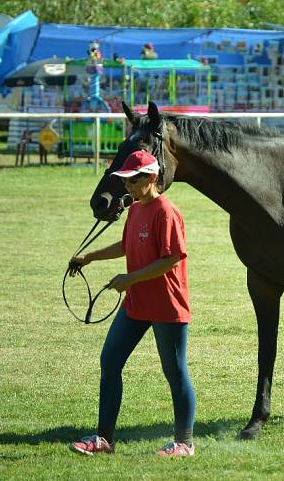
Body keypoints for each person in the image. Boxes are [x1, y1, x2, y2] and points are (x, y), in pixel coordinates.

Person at [67, 150, 196, 458]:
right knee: (110, 362)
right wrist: (90, 257)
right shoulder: (136, 209)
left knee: (175, 372)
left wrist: (130, 279)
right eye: (124, 181)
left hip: (166, 305)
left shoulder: (167, 211)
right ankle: (104, 439)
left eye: (132, 181)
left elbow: (171, 258)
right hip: (136, 303)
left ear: (151, 178)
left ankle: (184, 443)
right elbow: (126, 245)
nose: (127, 187)